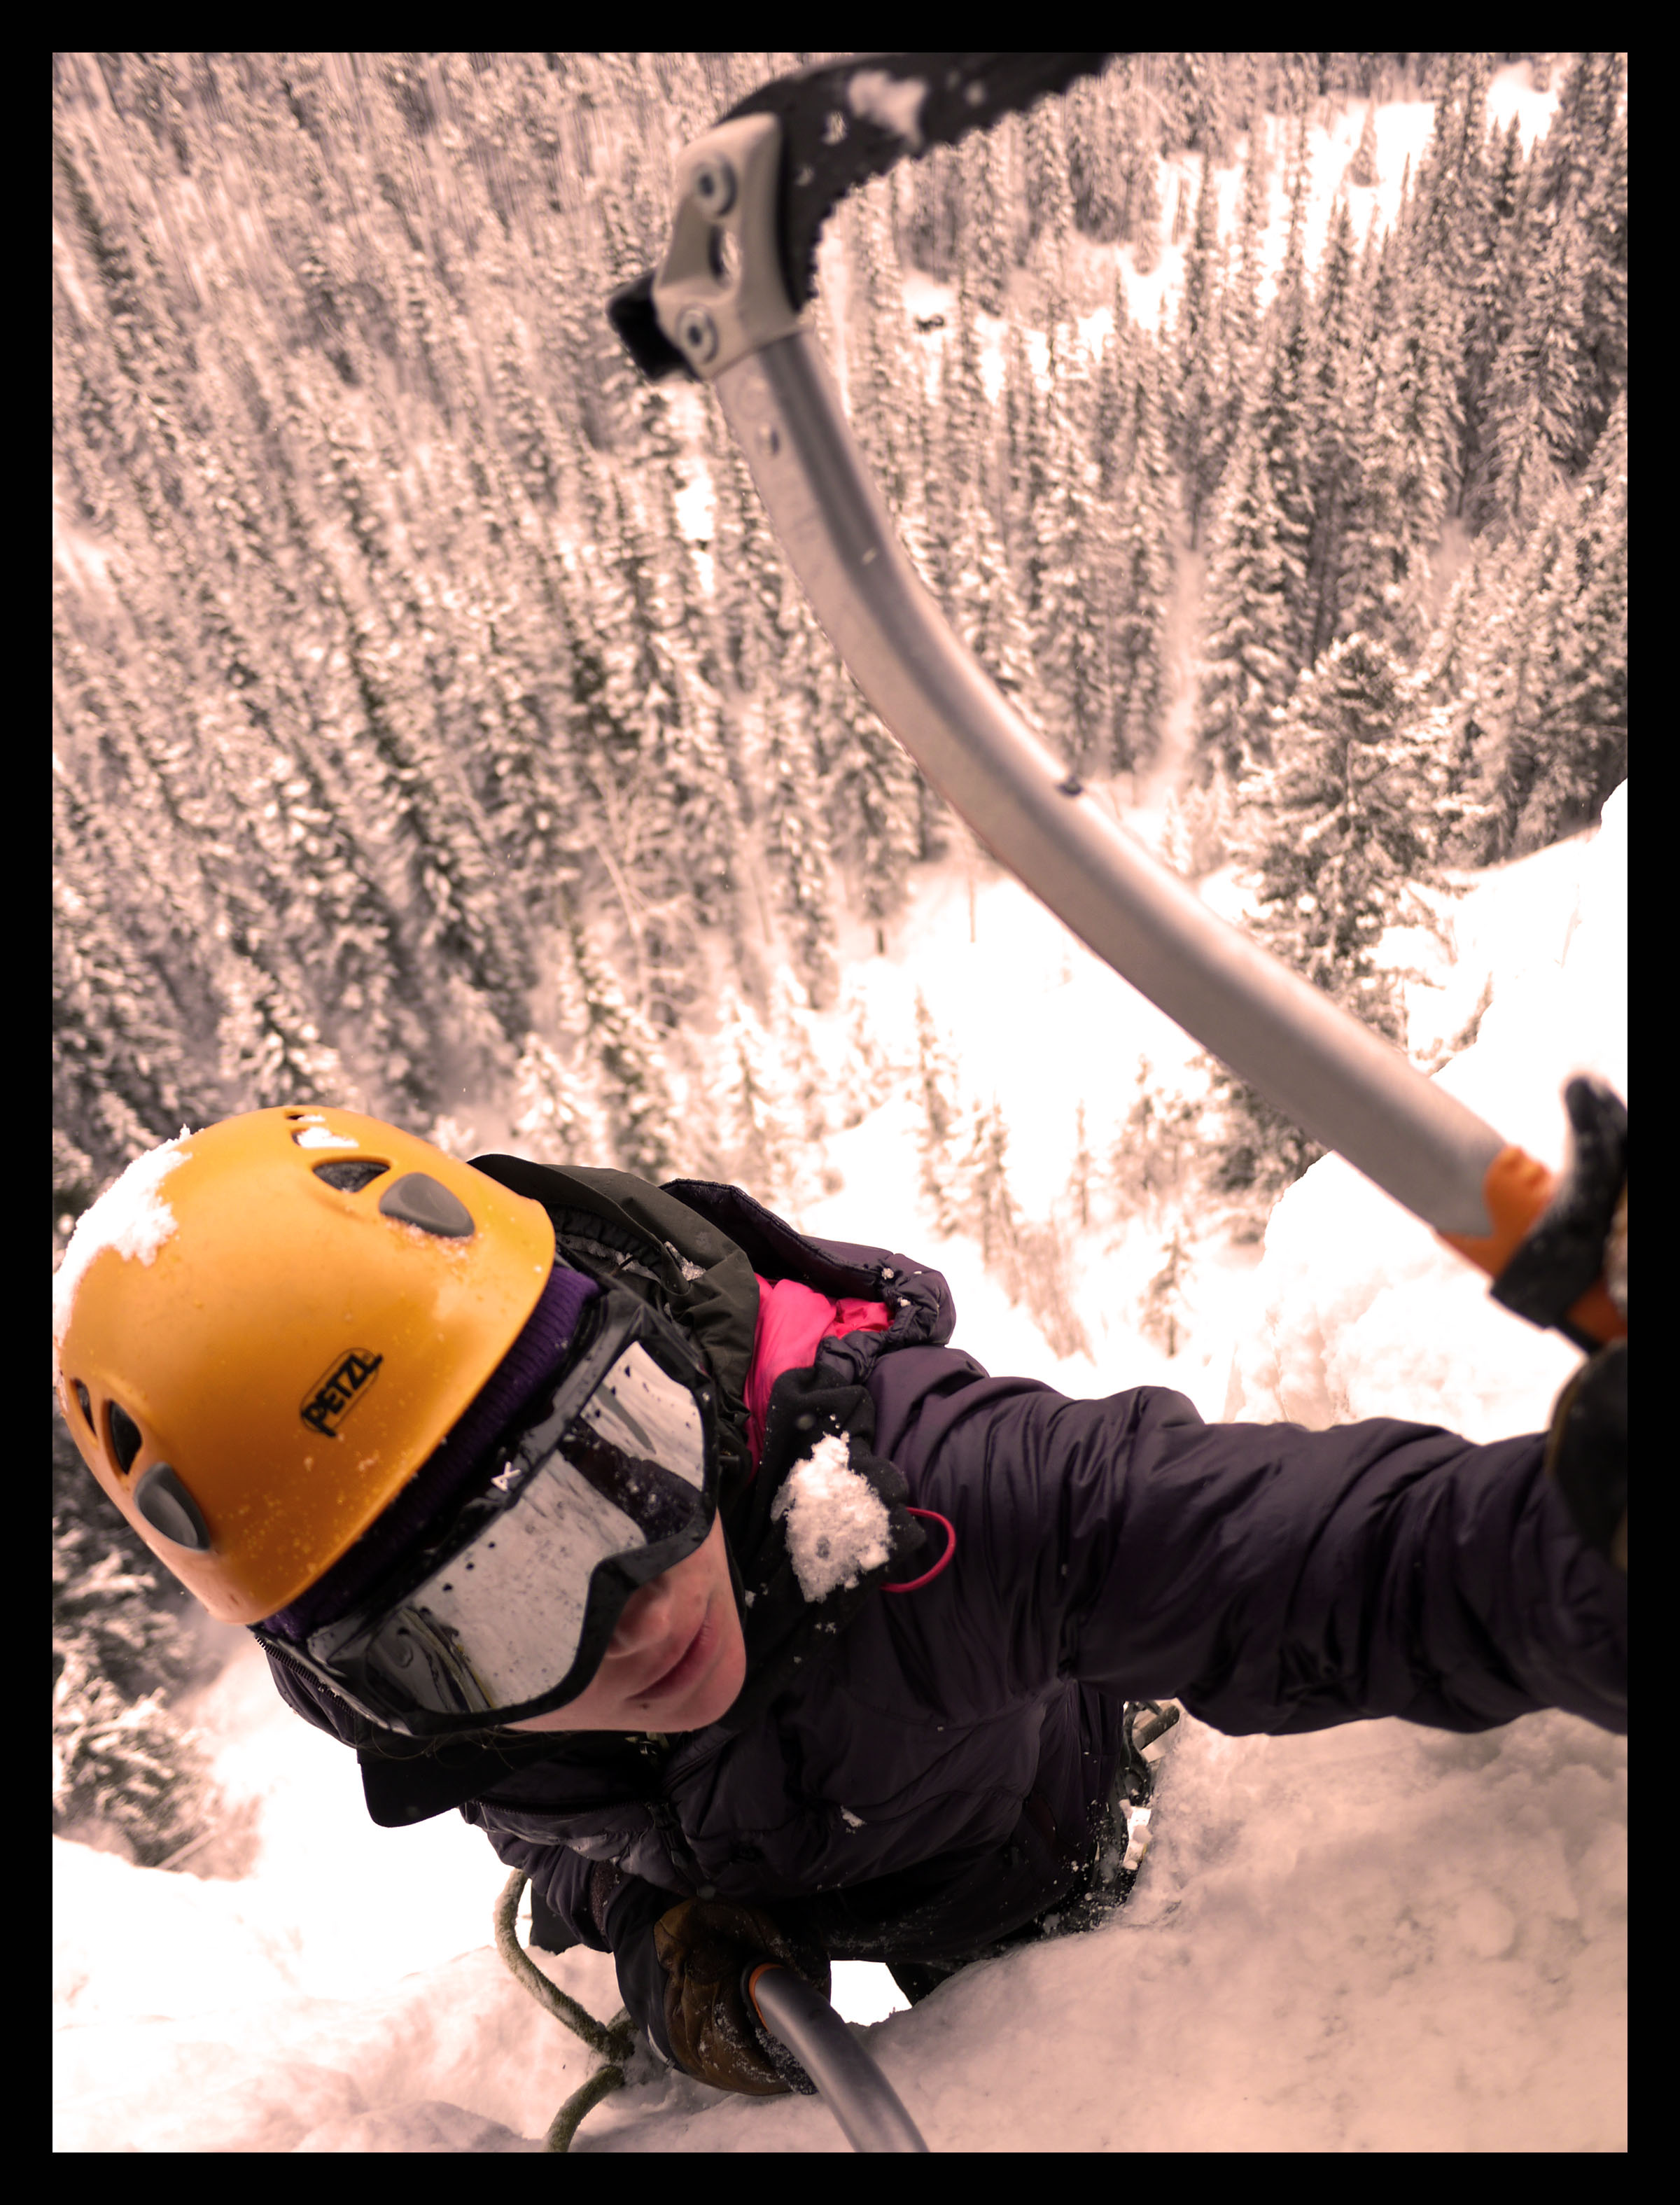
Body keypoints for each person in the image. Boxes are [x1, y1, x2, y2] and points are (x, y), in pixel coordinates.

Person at [53, 1103, 1626, 2099]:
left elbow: (1298, 1550)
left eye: (617, 1455)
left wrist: (1575, 1557)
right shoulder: (488, 1734)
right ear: (395, 1701)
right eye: (497, 1612)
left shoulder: (899, 1506)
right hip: (871, 1915)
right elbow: (554, 1841)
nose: (636, 1609)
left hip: (1073, 1838)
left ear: (664, 1355)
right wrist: (655, 1938)